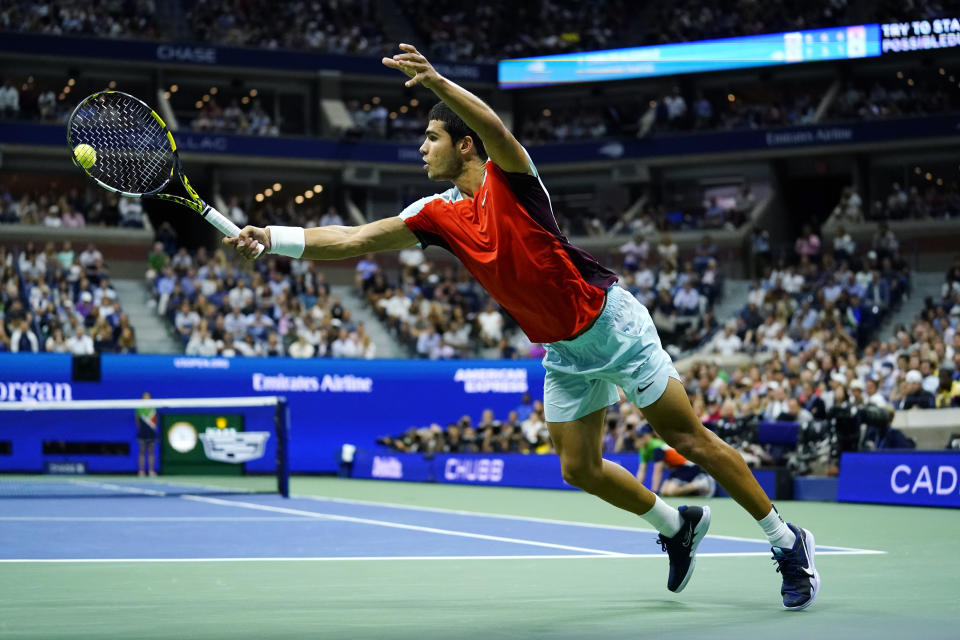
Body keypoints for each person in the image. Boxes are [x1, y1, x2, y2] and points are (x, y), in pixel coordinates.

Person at [225, 43, 818, 609]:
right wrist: (272, 239)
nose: (421, 150)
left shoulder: (514, 180)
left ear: (463, 144)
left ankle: (787, 542)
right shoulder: (433, 216)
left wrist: (436, 83)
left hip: (613, 328)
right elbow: (353, 238)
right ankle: (677, 523)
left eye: (430, 138)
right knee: (577, 468)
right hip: (563, 351)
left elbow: (499, 132)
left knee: (688, 440)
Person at [135, 391, 158, 477]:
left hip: (151, 431)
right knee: (142, 451)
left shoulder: (153, 407)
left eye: (148, 397)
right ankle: (141, 471)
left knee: (151, 452)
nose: (146, 398)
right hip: (142, 431)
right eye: (145, 397)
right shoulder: (139, 408)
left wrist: (152, 429)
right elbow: (137, 420)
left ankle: (151, 471)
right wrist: (141, 429)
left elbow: (155, 420)